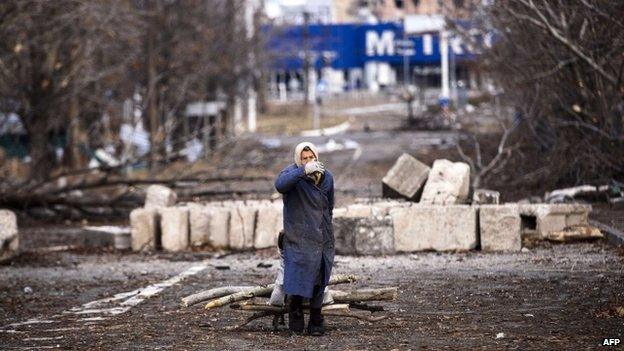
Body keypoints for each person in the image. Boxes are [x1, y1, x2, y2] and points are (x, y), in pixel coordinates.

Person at [274, 141, 335, 336]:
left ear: (317, 157)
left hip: (322, 235)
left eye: (311, 158)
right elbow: (280, 185)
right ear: (298, 160)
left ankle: (316, 317)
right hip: (298, 235)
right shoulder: (292, 176)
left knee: (320, 275)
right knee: (298, 274)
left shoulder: (327, 177)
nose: (309, 161)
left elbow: (330, 204)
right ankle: (296, 310)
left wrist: (326, 226)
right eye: (304, 158)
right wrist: (303, 171)